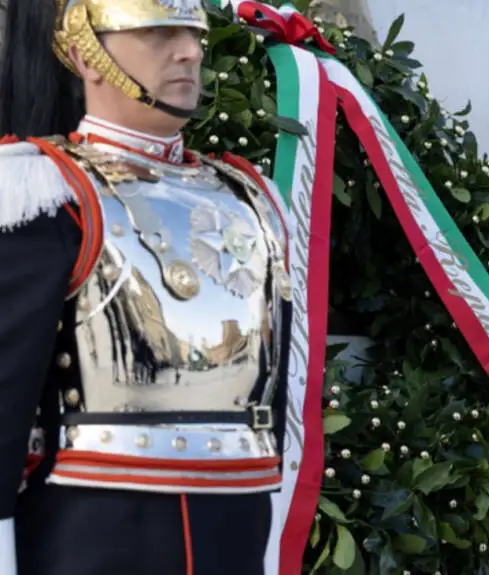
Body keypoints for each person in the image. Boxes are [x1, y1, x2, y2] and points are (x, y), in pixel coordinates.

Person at [0, 0, 293, 573]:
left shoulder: (246, 198)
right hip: (95, 531)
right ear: (87, 53)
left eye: (193, 32)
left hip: (236, 526)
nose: (189, 51)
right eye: (159, 32)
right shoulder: (42, 191)